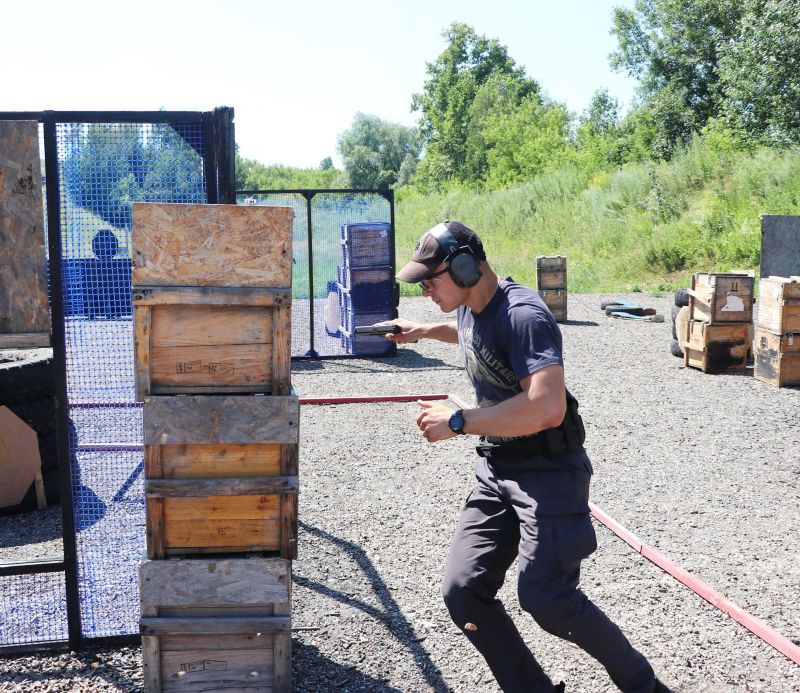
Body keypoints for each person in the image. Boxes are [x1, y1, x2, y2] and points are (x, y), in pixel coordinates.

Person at [388, 221, 671, 693]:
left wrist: (458, 421)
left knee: (547, 599)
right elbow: (471, 331)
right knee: (464, 593)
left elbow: (547, 408)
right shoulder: (471, 305)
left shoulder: (524, 315)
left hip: (549, 472)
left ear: (464, 268)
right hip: (497, 467)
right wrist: (422, 331)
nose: (425, 291)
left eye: (429, 281)